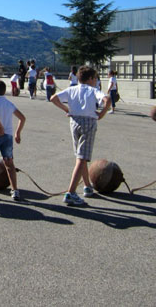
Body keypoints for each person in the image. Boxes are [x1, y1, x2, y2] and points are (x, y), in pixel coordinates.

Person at [50, 66, 110, 206]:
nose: (96, 81)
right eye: (95, 78)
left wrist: (67, 109)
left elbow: (53, 98)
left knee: (79, 155)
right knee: (82, 158)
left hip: (74, 121)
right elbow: (107, 100)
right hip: (88, 122)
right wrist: (101, 114)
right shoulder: (93, 90)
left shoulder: (72, 89)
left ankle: (87, 186)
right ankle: (70, 192)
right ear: (90, 79)